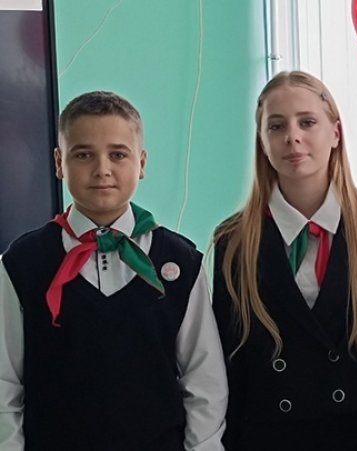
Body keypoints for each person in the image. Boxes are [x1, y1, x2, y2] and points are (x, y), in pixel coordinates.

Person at [0, 91, 227, 449]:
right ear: (59, 162)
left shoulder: (181, 263)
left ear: (141, 163)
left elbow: (205, 381)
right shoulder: (22, 264)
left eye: (118, 154)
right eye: (83, 154)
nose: (102, 169)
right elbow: (5, 383)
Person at [212, 70, 357, 450]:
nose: (292, 137)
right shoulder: (233, 241)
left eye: (307, 122)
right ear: (262, 142)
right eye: (276, 126)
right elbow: (230, 363)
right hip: (269, 438)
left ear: (335, 133)